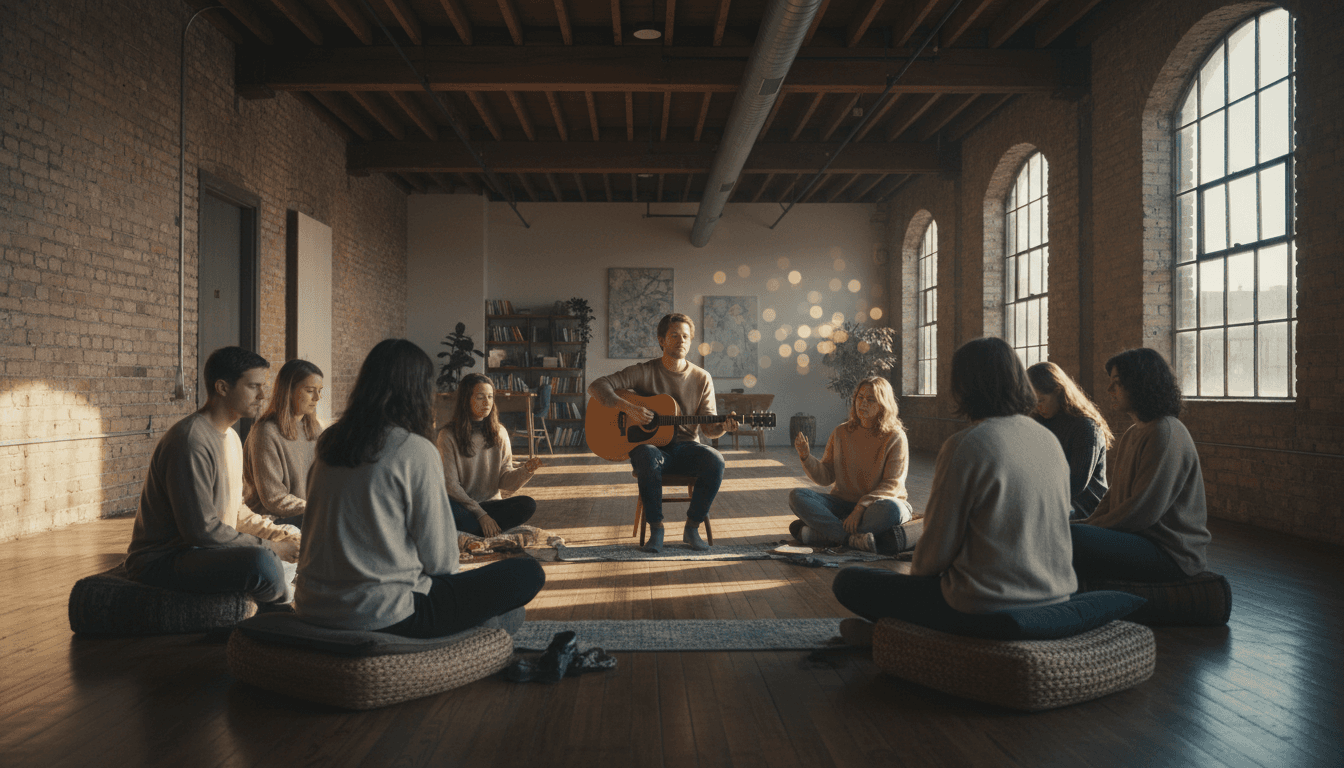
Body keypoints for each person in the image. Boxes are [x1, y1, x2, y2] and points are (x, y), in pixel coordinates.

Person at [295, 339, 545, 638]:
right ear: (417, 391)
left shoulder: (331, 441)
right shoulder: (414, 448)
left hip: (311, 605)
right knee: (527, 573)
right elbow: (441, 563)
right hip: (383, 614)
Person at [831, 337, 1076, 640]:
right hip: (1054, 601)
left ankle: (896, 638)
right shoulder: (1048, 440)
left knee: (849, 582)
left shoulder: (966, 445)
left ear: (963, 387)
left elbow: (931, 558)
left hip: (984, 606)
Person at [124, 347, 300, 608]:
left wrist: (277, 535)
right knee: (261, 562)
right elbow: (201, 531)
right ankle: (284, 611)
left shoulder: (230, 437)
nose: (263, 395)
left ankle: (282, 592)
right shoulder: (190, 441)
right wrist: (270, 548)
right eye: (253, 386)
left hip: (205, 551)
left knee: (292, 532)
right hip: (166, 560)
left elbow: (234, 510)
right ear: (222, 387)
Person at [587, 312, 737, 552]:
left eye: (686, 336)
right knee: (646, 454)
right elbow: (596, 386)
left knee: (716, 460)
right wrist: (629, 408)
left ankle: (692, 528)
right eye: (674, 335)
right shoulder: (643, 371)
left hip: (687, 448)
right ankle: (656, 530)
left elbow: (709, 429)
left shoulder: (702, 378)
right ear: (661, 340)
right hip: (653, 449)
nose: (681, 341)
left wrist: (723, 427)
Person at [1070, 348, 1210, 582]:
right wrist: (1085, 524)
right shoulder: (1134, 432)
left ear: (1139, 384)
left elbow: (1142, 511)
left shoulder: (1164, 432)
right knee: (1064, 532)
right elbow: (1113, 499)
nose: (1109, 390)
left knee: (1072, 538)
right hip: (1140, 540)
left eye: (1116, 383)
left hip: (1170, 553)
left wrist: (1086, 530)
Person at [789, 376, 913, 553]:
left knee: (892, 511)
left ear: (883, 404)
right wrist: (806, 457)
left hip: (877, 506)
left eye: (870, 399)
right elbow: (826, 476)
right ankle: (850, 538)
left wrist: (860, 508)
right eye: (860, 398)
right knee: (797, 496)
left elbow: (892, 485)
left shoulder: (895, 436)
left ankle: (826, 534)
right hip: (841, 504)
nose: (863, 403)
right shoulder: (841, 432)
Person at [436, 372, 543, 538]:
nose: (487, 403)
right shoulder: (447, 435)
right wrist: (481, 515)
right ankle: (486, 527)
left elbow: (505, 481)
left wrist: (525, 471)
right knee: (442, 506)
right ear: (466, 400)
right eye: (480, 397)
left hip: (491, 505)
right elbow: (450, 485)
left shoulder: (500, 432)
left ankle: (475, 531)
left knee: (528, 504)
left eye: (490, 397)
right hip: (462, 507)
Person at [243, 359, 324, 529]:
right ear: (289, 391)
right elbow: (274, 499)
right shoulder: (265, 432)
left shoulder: (314, 430)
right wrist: (320, 508)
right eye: (310, 391)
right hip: (273, 519)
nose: (317, 398)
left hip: (308, 512)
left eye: (319, 391)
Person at [1026, 361, 1114, 520]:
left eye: (1040, 400)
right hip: (1051, 501)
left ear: (1058, 392)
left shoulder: (1086, 427)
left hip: (1085, 508)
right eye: (1033, 402)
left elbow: (1075, 484)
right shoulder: (1038, 424)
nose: (1036, 407)